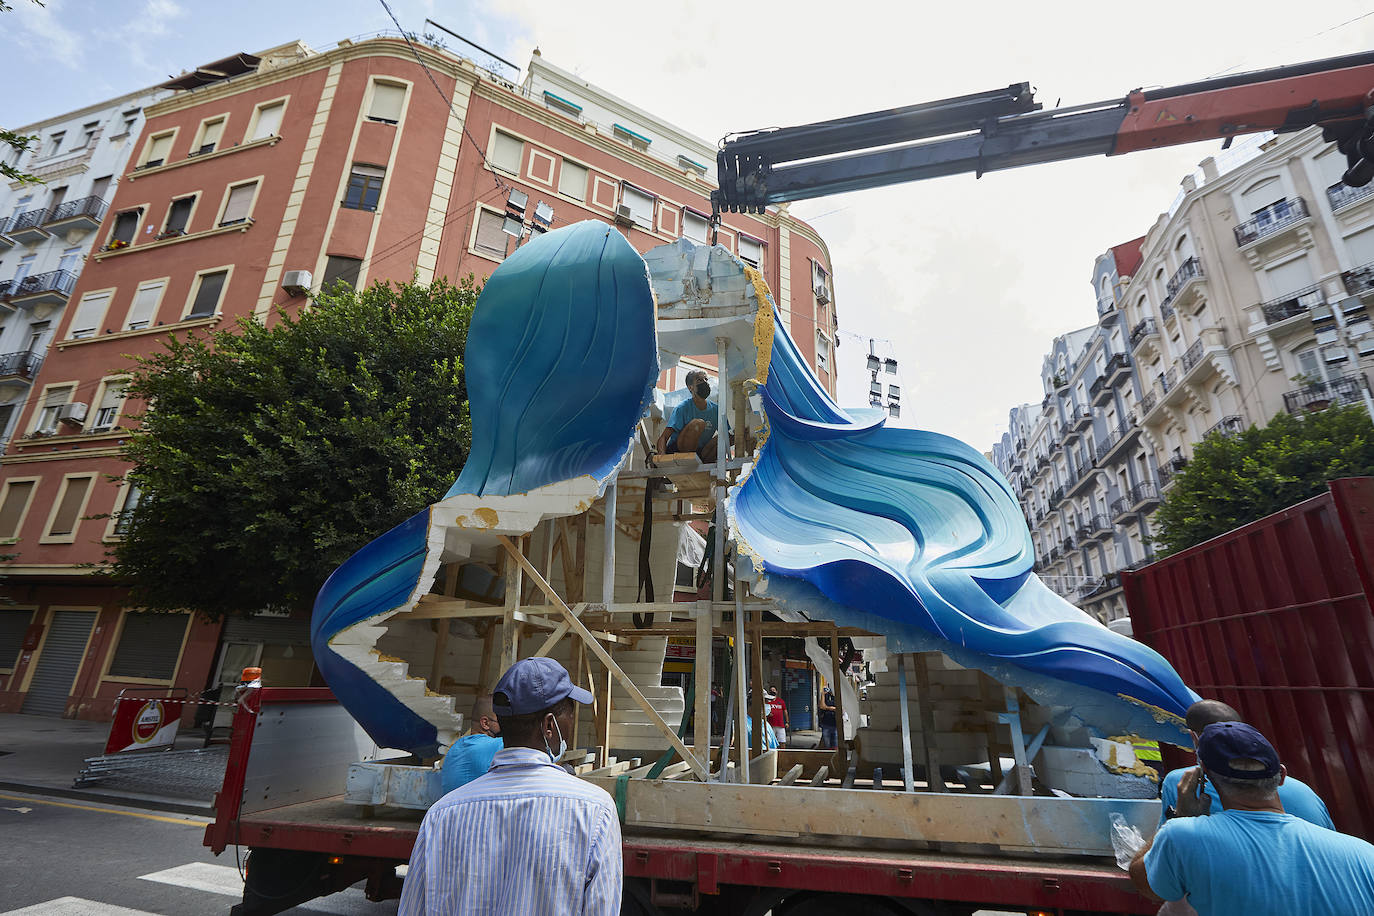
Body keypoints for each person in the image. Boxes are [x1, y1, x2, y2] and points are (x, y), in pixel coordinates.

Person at [400, 658, 621, 915]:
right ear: (549, 726)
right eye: (570, 714)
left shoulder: (441, 815)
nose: (571, 725)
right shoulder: (595, 811)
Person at [1128, 722, 1374, 916]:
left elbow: (1145, 883)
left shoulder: (1181, 836)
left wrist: (1179, 817)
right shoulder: (1365, 854)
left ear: (1205, 776)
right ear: (1281, 776)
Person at [1158, 699, 1332, 830]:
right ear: (1281, 775)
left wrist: (1177, 821)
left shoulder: (1182, 784)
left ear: (1194, 737)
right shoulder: (1305, 792)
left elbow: (1152, 866)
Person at [656, 369, 727, 462]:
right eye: (699, 380)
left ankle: (705, 462)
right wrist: (662, 459)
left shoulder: (716, 410)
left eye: (706, 379)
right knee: (698, 423)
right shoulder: (682, 408)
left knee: (725, 436)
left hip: (699, 453)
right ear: (690, 387)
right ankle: (688, 460)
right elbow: (664, 437)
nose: (705, 382)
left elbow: (727, 434)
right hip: (678, 451)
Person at [439, 693, 503, 793]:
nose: (506, 724)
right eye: (502, 720)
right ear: (485, 723)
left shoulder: (455, 747)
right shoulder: (495, 745)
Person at [818, 682, 837, 749]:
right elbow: (822, 706)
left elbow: (840, 709)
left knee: (835, 746)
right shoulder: (826, 696)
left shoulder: (837, 697)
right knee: (827, 746)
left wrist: (828, 708)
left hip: (835, 724)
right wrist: (822, 694)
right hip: (826, 724)